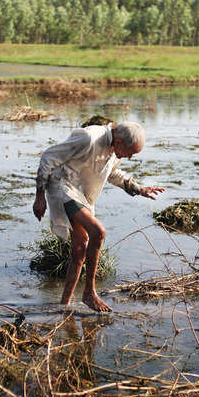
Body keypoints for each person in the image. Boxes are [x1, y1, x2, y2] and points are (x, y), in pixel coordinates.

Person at [33, 121, 165, 312]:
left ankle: (63, 306)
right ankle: (89, 293)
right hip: (62, 187)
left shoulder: (113, 149)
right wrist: (39, 196)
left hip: (82, 194)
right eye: (130, 152)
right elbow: (48, 157)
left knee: (80, 248)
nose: (128, 157)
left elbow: (112, 173)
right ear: (119, 140)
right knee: (98, 232)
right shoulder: (89, 138)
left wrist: (139, 189)